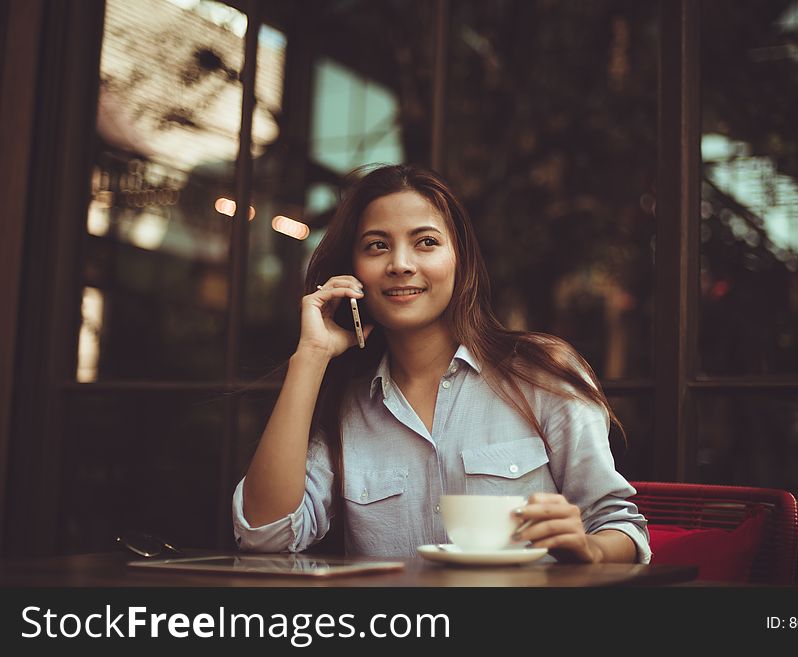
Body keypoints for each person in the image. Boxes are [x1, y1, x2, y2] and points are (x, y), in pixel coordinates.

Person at [233, 164, 650, 564]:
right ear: (354, 271)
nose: (400, 264)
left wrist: (590, 549)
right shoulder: (346, 405)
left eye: (426, 242)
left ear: (459, 260)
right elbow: (264, 535)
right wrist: (310, 357)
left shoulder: (540, 374)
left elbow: (620, 527)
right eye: (377, 245)